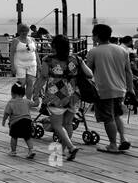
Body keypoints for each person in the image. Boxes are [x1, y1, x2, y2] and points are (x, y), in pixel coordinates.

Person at [31, 33, 92, 163]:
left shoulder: (48, 60)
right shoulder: (76, 59)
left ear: (54, 46)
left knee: (56, 124)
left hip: (56, 96)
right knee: (68, 123)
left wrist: (35, 93)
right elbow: (89, 74)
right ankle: (65, 151)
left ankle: (71, 147)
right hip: (73, 95)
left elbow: (43, 77)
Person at [84, 23, 134, 154]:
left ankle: (112, 144)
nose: (92, 37)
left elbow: (88, 73)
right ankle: (123, 138)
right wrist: (131, 89)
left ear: (97, 36)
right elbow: (128, 72)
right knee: (117, 115)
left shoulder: (93, 51)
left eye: (93, 35)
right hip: (120, 89)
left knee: (108, 118)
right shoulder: (122, 50)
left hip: (103, 90)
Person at [2, 83, 37, 160]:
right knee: (28, 137)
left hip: (15, 123)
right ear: (23, 93)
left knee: (14, 137)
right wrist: (36, 97)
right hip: (27, 122)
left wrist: (4, 120)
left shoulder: (11, 102)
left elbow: (6, 113)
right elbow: (36, 104)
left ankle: (13, 151)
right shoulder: (27, 101)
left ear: (12, 93)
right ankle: (31, 150)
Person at [10, 24, 38, 100]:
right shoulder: (15, 40)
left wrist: (39, 64)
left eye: (25, 31)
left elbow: (35, 52)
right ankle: (18, 98)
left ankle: (28, 100)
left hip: (32, 64)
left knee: (30, 82)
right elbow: (12, 54)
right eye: (22, 31)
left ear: (28, 31)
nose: (24, 32)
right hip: (20, 64)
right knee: (22, 83)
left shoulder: (32, 39)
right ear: (19, 32)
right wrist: (12, 66)